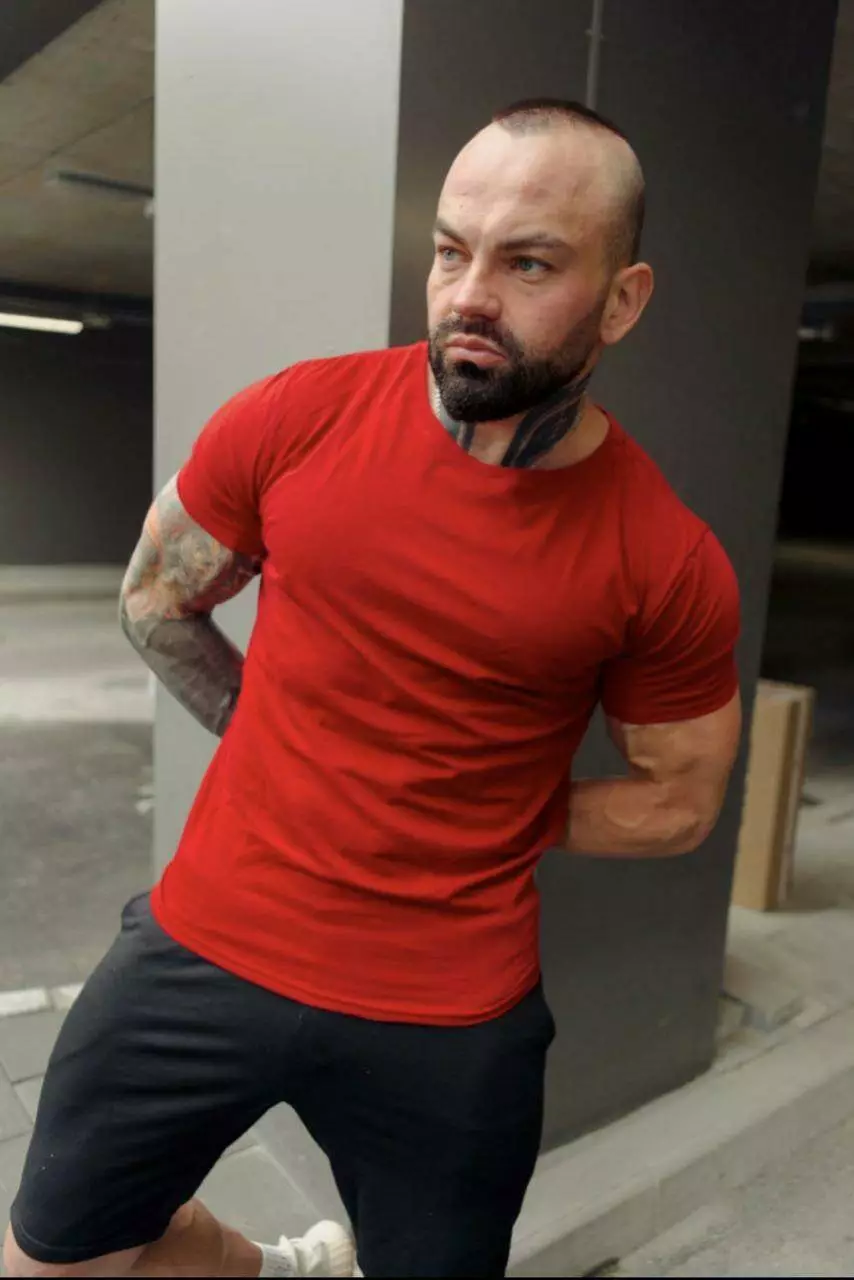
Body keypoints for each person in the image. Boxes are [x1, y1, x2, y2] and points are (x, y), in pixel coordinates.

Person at [4, 97, 742, 1280]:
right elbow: (154, 598)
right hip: (210, 940)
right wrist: (277, 738)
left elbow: (678, 801)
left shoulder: (662, 555)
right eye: (450, 251)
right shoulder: (299, 415)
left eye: (528, 263)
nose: (468, 296)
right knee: (56, 1256)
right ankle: (285, 1268)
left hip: (448, 1008)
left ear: (620, 300)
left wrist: (482, 807)